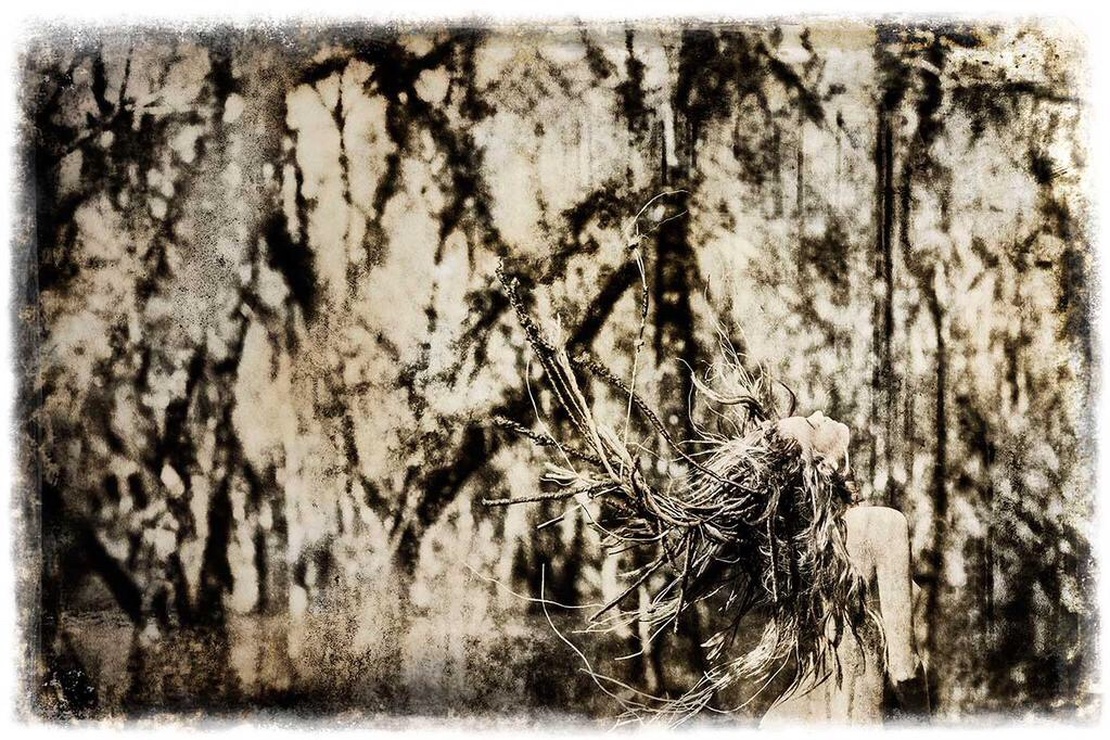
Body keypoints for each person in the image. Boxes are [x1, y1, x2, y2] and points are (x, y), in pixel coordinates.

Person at [759, 410, 930, 724]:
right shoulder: (882, 524)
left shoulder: (798, 550)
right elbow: (905, 671)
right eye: (811, 424)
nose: (818, 414)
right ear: (823, 465)